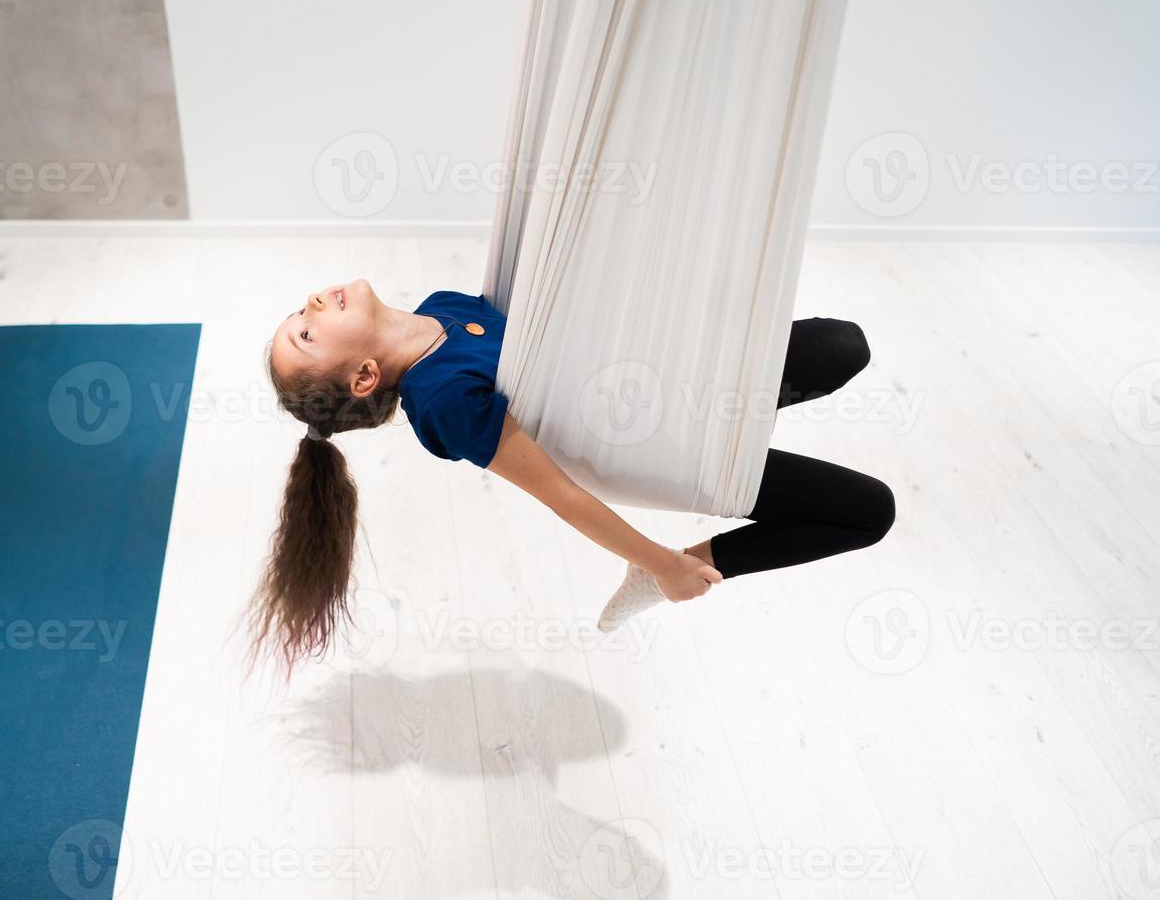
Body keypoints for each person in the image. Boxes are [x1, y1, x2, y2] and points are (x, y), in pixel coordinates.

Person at [251, 279, 895, 671]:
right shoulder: (443, 400)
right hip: (663, 447)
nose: (311, 305)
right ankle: (662, 568)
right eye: (307, 333)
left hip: (668, 383)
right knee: (869, 511)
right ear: (363, 377)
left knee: (844, 345)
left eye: (298, 315)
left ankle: (746, 430)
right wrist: (666, 563)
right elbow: (560, 492)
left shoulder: (442, 307)